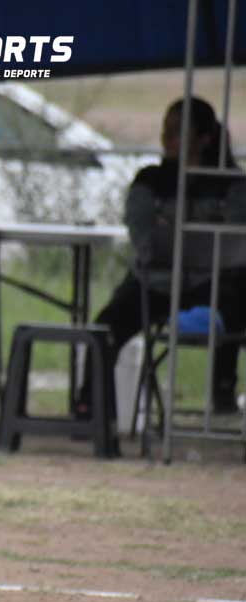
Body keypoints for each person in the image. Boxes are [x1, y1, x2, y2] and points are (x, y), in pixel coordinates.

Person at [80, 97, 246, 415]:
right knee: (106, 326)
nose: (167, 138)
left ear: (204, 137)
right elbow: (145, 236)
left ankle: (223, 392)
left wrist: (179, 237)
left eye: (177, 131)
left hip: (213, 284)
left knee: (235, 302)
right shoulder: (150, 180)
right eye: (165, 130)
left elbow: (233, 243)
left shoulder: (231, 185)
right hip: (155, 282)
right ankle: (94, 408)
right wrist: (192, 240)